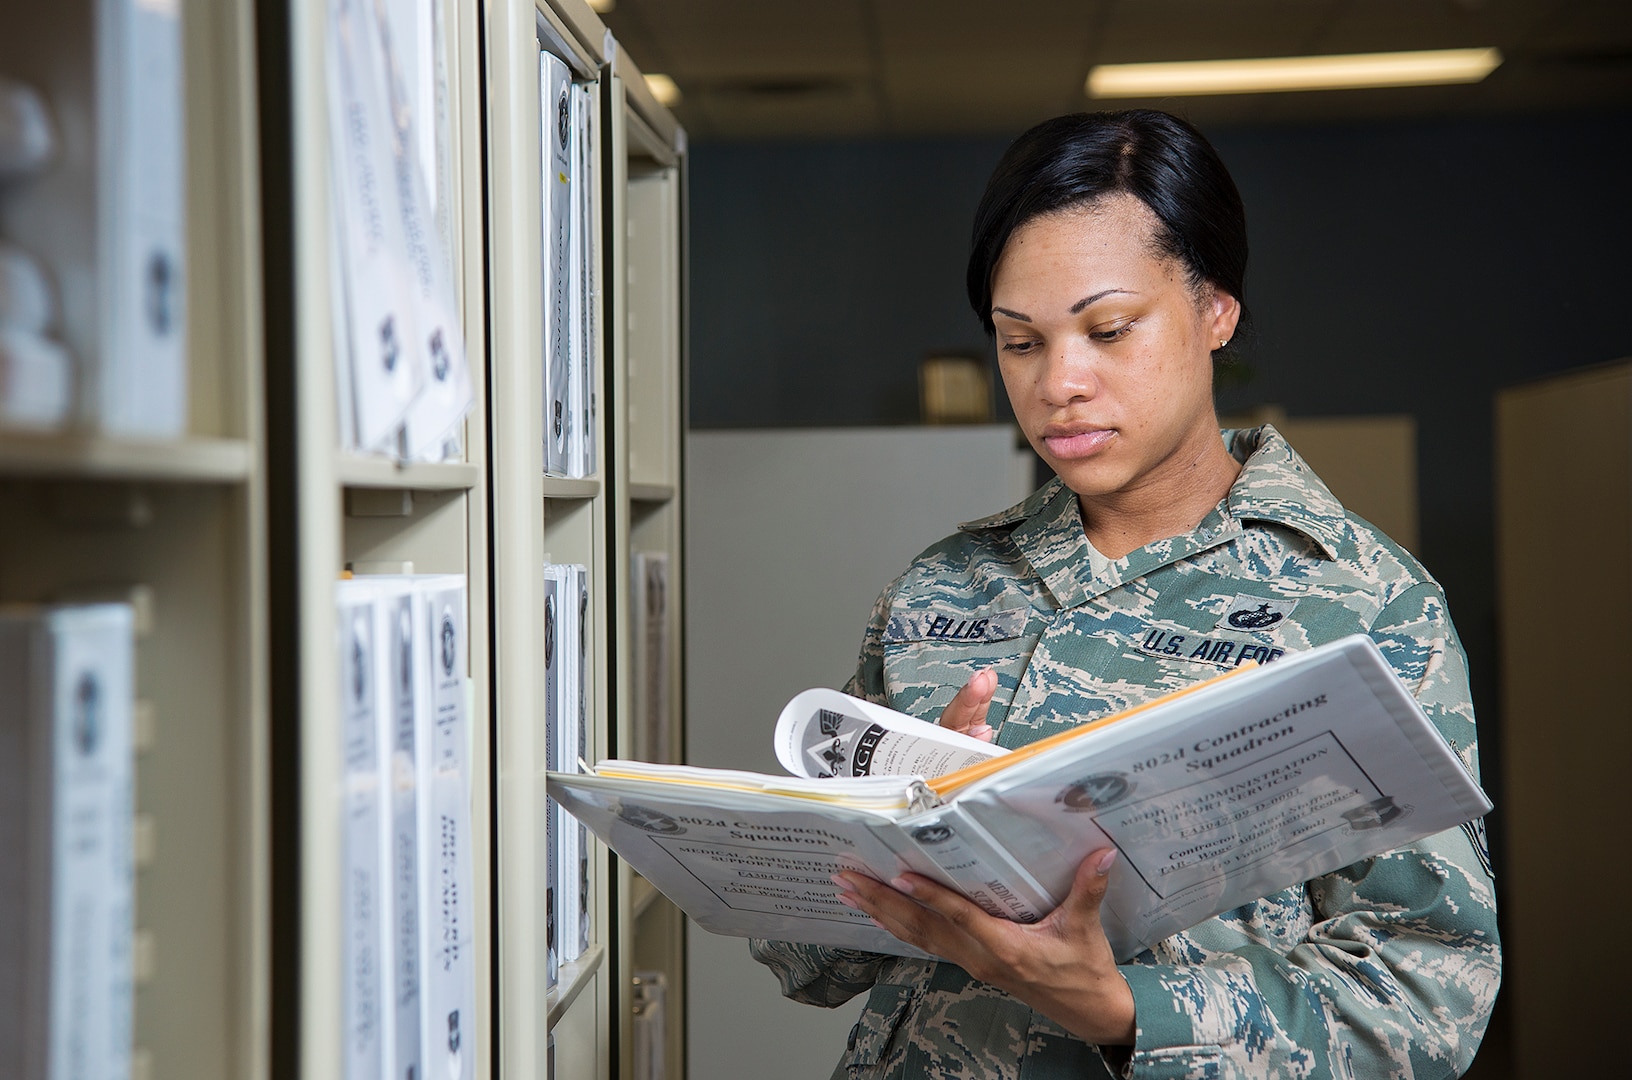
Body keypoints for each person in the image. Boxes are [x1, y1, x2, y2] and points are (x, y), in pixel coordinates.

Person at [749, 110, 1500, 1079]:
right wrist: (882, 834)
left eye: (1108, 330)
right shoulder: (943, 585)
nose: (1061, 381)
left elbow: (1426, 995)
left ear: (1215, 310)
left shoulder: (1362, 602)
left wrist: (1121, 1011)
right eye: (1020, 343)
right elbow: (810, 959)